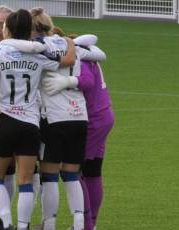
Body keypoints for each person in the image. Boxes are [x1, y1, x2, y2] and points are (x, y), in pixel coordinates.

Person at [0, 9, 75, 230]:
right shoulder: (39, 53)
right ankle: (24, 226)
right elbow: (68, 60)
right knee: (26, 181)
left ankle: (6, 222)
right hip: (30, 122)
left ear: (8, 29)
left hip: (6, 120)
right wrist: (69, 42)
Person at [43, 60, 114, 230]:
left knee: (73, 171)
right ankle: (91, 223)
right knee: (93, 171)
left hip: (92, 119)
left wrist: (67, 82)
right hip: (103, 114)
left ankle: (86, 225)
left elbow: (87, 81)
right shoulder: (88, 56)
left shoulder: (80, 60)